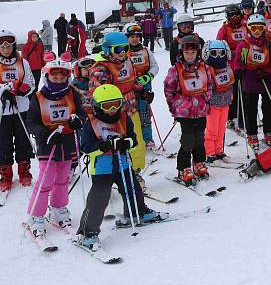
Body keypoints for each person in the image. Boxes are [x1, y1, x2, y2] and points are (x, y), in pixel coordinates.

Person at [75, 84, 167, 252]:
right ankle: (87, 233)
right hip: (102, 169)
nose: (112, 109)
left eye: (116, 104)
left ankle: (137, 212)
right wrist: (104, 145)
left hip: (123, 164)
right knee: (98, 200)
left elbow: (134, 139)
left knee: (133, 189)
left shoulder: (124, 118)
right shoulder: (92, 123)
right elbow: (86, 147)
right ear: (97, 106)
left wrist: (126, 142)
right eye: (107, 106)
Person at [25, 57, 86, 237]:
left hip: (66, 143)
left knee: (62, 179)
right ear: (47, 77)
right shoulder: (38, 97)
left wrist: (78, 121)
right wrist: (45, 134)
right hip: (48, 145)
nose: (58, 81)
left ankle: (59, 208)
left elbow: (81, 113)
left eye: (62, 79)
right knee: (45, 181)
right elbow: (31, 122)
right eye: (55, 78)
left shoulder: (72, 94)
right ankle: (36, 216)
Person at [89, 31, 147, 177]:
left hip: (130, 109)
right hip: (110, 114)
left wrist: (140, 91)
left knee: (135, 143)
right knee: (112, 146)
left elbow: (131, 81)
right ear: (108, 49)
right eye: (118, 49)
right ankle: (108, 174)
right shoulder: (101, 69)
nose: (122, 53)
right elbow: (97, 94)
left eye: (125, 48)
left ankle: (134, 172)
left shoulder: (128, 61)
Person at [163, 34, 214, 184]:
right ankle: (183, 167)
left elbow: (210, 84)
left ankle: (199, 162)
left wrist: (207, 98)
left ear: (197, 52)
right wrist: (175, 107)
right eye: (187, 53)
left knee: (199, 138)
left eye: (193, 53)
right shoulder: (175, 70)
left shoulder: (204, 68)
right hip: (184, 112)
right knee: (188, 139)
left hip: (201, 109)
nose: (190, 56)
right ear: (181, 53)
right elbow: (168, 89)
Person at [232, 13, 271, 151]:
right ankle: (252, 133)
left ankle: (269, 131)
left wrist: (268, 72)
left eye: (259, 28)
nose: (257, 31)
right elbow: (238, 61)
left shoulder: (268, 44)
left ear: (264, 29)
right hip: (250, 79)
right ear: (249, 29)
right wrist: (238, 70)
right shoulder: (244, 45)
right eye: (254, 28)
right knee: (251, 108)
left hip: (265, 79)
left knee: (268, 107)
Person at [0, 30, 35, 191]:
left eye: (9, 46)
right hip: (2, 112)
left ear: (13, 47)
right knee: (3, 143)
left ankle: (24, 171)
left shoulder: (23, 62)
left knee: (23, 140)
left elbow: (31, 83)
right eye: (2, 46)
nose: (6, 50)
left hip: (21, 108)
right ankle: (5, 174)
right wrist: (4, 91)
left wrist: (19, 89)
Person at [125, 23, 159, 152]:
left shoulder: (146, 50)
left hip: (144, 86)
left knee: (145, 113)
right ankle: (133, 137)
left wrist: (148, 76)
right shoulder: (124, 52)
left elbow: (155, 66)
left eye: (137, 36)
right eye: (132, 36)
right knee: (131, 113)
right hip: (129, 87)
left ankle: (148, 138)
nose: (135, 39)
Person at [202, 40, 235, 162]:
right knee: (212, 129)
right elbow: (205, 86)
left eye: (221, 53)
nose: (218, 56)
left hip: (225, 102)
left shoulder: (227, 67)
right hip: (213, 103)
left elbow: (230, 83)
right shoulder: (207, 69)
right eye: (214, 53)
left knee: (221, 128)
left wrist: (230, 95)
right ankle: (209, 152)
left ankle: (218, 150)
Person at [217, 4, 248, 129]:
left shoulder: (246, 26)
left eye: (237, 15)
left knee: (245, 91)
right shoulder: (224, 29)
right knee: (232, 92)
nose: (235, 18)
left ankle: (243, 116)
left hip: (245, 63)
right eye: (231, 16)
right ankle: (230, 116)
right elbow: (219, 45)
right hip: (229, 66)